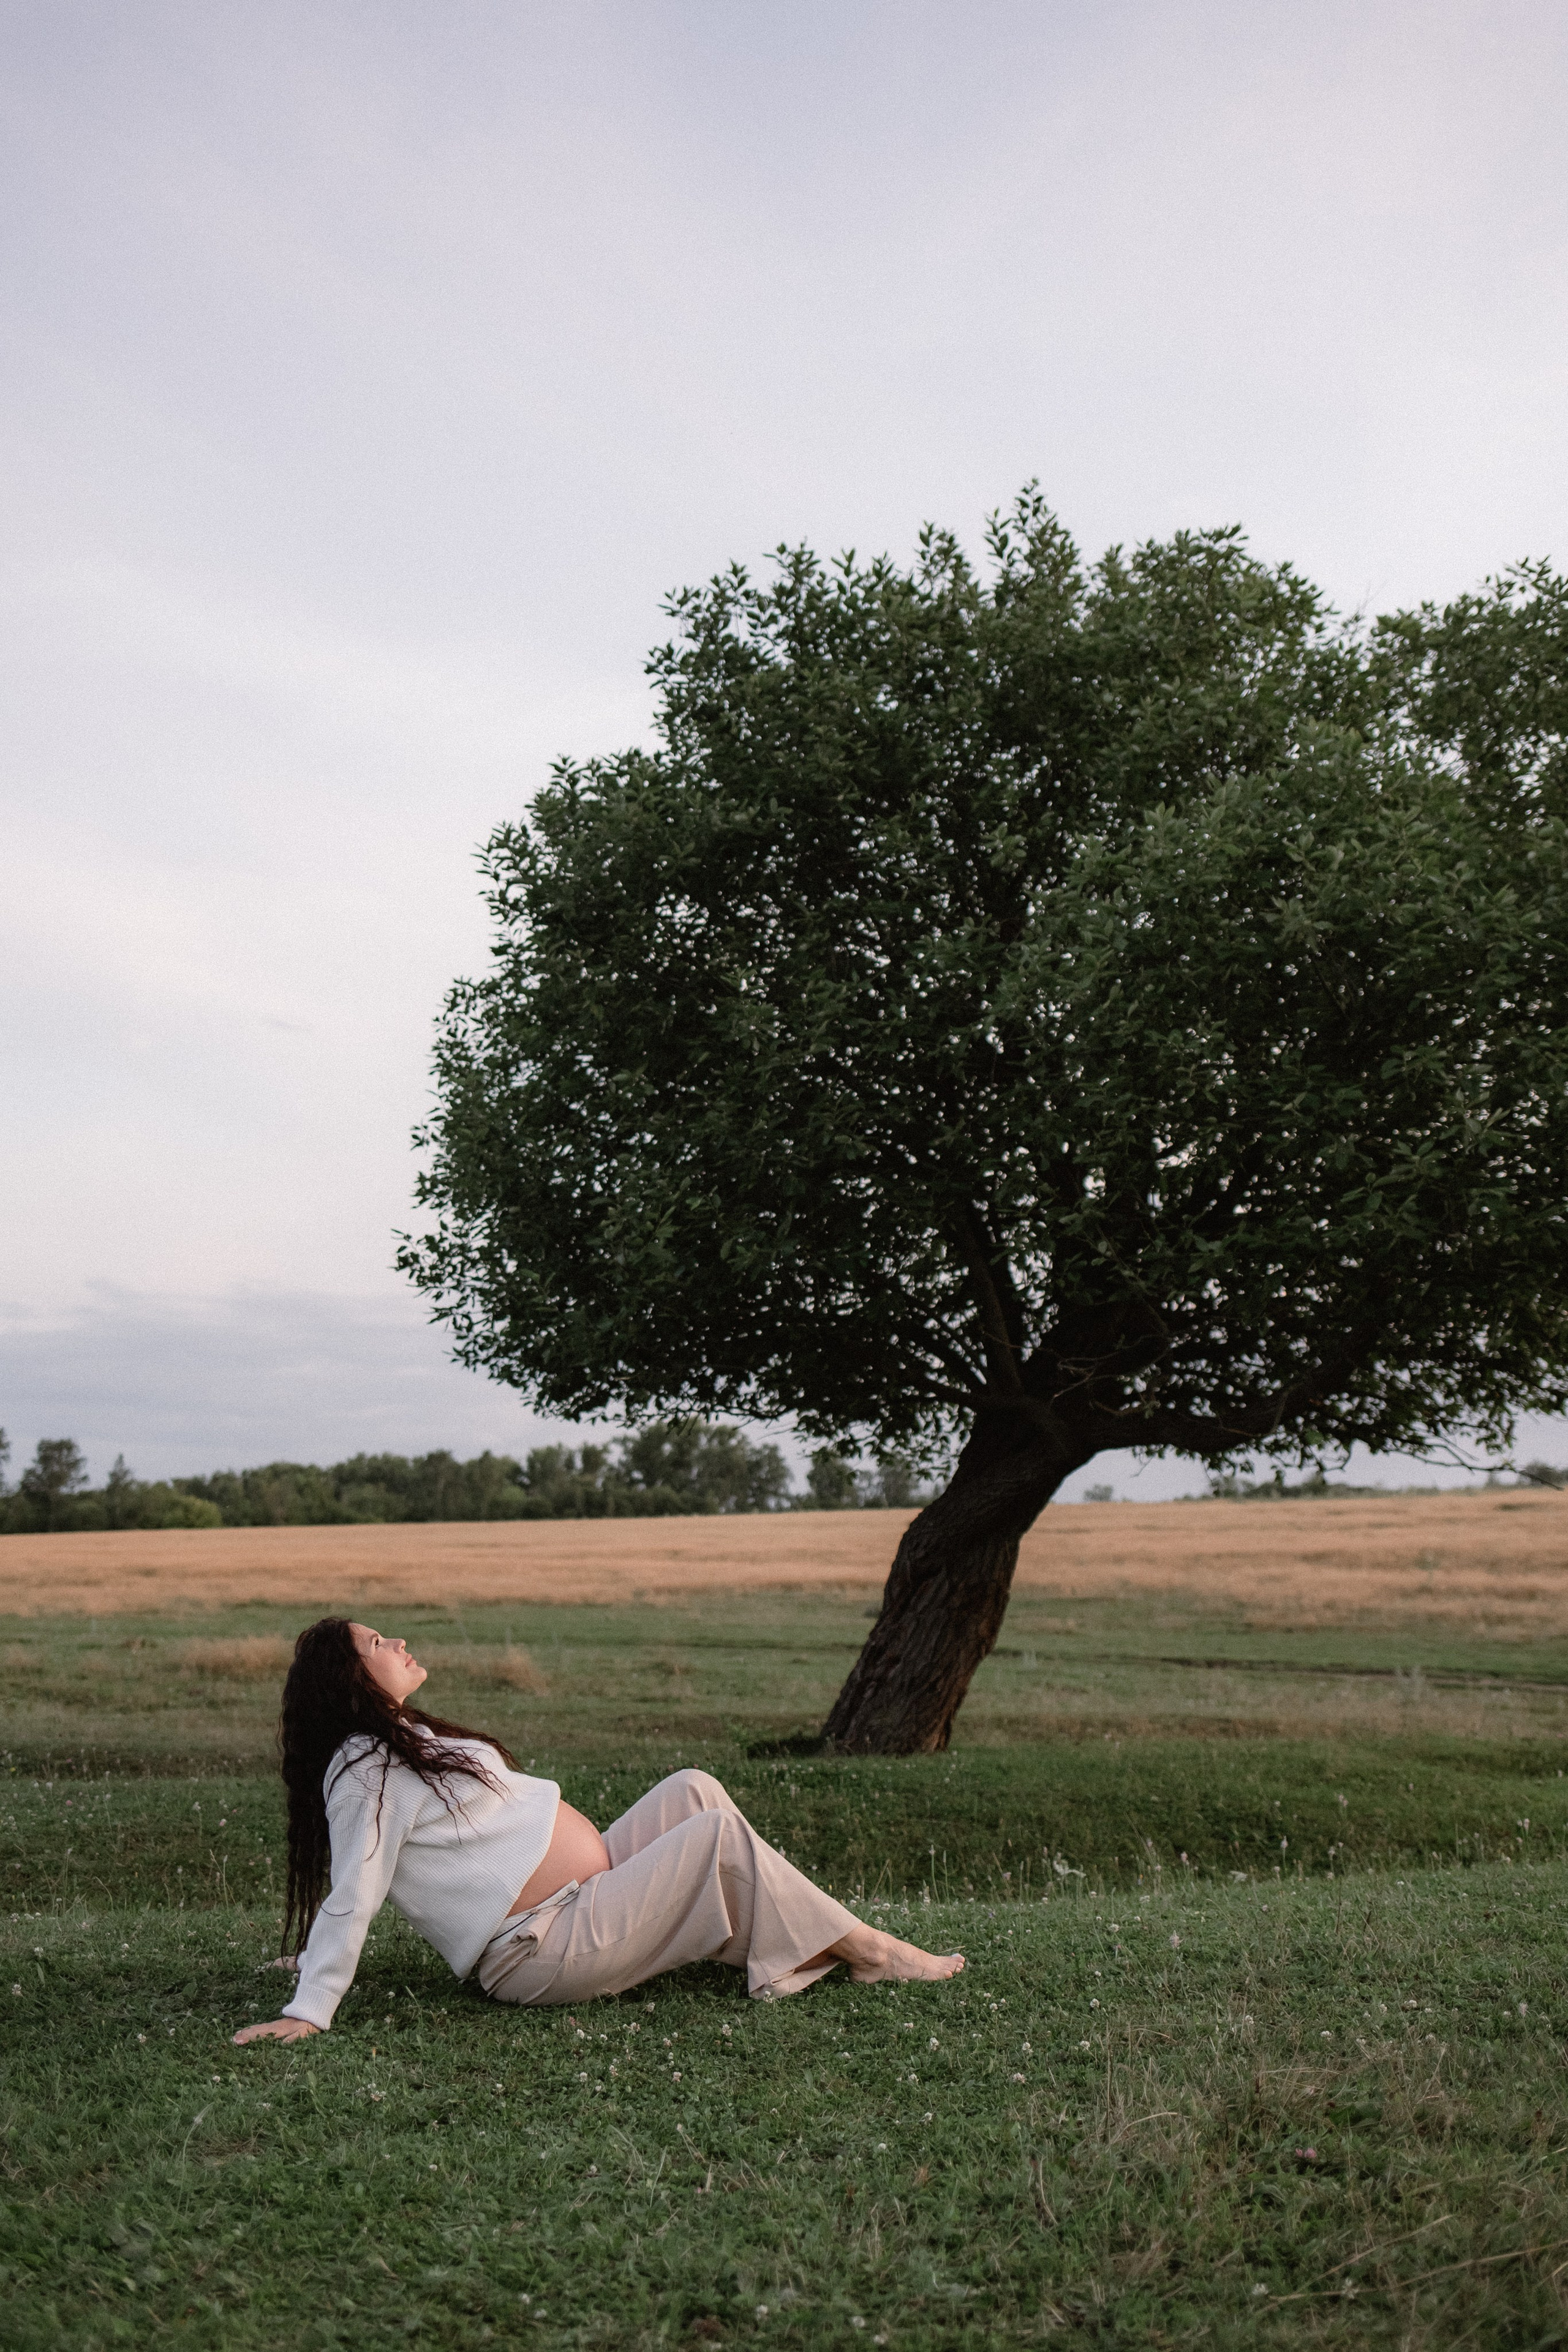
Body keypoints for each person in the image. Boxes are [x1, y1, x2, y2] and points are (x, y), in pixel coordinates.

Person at [234, 1618, 963, 2043]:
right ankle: (871, 1950)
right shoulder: (366, 1767)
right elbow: (358, 1884)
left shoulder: (399, 1740)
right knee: (713, 1839)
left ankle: (788, 1948)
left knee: (693, 1790)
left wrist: (302, 1953)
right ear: (351, 1676)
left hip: (586, 1896)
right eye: (376, 1641)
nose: (397, 1640)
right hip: (539, 1950)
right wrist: (311, 2005)